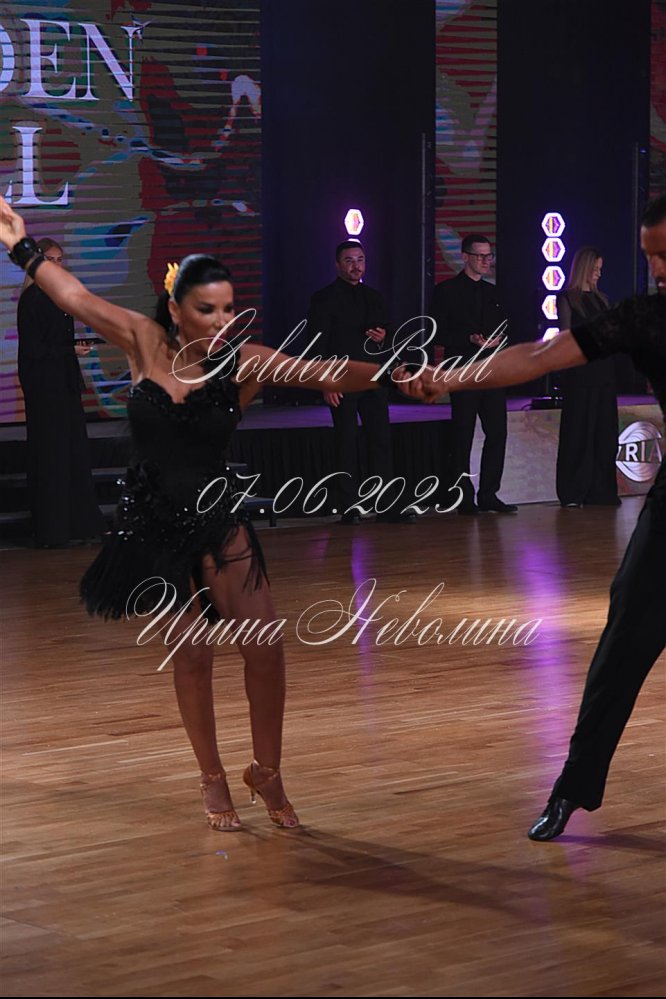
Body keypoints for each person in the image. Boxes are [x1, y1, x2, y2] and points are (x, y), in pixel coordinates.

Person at [0, 197, 432, 832]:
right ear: (176, 309)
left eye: (228, 308)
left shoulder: (245, 359)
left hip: (218, 514)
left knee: (266, 647)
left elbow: (324, 369)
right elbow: (75, 297)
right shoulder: (143, 341)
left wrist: (397, 374)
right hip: (156, 520)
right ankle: (212, 776)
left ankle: (267, 769)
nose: (222, 320)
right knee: (194, 654)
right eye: (208, 309)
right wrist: (21, 246)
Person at [441, 194, 666, 840]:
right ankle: (573, 786)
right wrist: (455, 377)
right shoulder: (647, 317)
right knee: (622, 642)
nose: (656, 269)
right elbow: (541, 357)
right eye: (649, 256)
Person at [307, 239, 410, 524]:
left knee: (380, 440)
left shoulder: (374, 297)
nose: (356, 266)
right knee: (346, 440)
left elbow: (388, 337)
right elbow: (317, 345)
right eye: (349, 260)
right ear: (338, 264)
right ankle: (349, 506)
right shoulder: (323, 299)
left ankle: (386, 504)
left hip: (373, 378)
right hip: (341, 378)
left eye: (360, 260)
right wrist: (325, 382)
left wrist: (383, 338)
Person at [17, 238, 104, 547]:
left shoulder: (57, 296)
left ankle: (78, 525)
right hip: (45, 386)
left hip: (63, 381)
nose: (56, 265)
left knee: (72, 453)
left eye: (59, 260)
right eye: (50, 259)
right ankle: (53, 529)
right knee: (52, 455)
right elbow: (34, 350)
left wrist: (73, 348)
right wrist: (70, 349)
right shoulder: (33, 299)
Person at [430, 233, 517, 515]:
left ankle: (489, 493)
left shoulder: (494, 292)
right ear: (465, 257)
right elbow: (436, 332)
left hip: (491, 370)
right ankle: (462, 496)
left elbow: (507, 327)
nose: (485, 261)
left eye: (488, 256)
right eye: (480, 256)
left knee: (497, 432)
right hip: (463, 370)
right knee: (462, 433)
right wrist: (469, 339)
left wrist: (497, 341)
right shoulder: (447, 291)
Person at [555, 247, 619, 507]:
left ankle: (600, 491)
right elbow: (566, 338)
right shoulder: (568, 299)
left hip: (604, 372)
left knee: (604, 433)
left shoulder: (602, 299)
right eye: (594, 269)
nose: (598, 274)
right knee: (578, 431)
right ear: (584, 268)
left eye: (600, 270)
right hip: (581, 373)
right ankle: (573, 491)